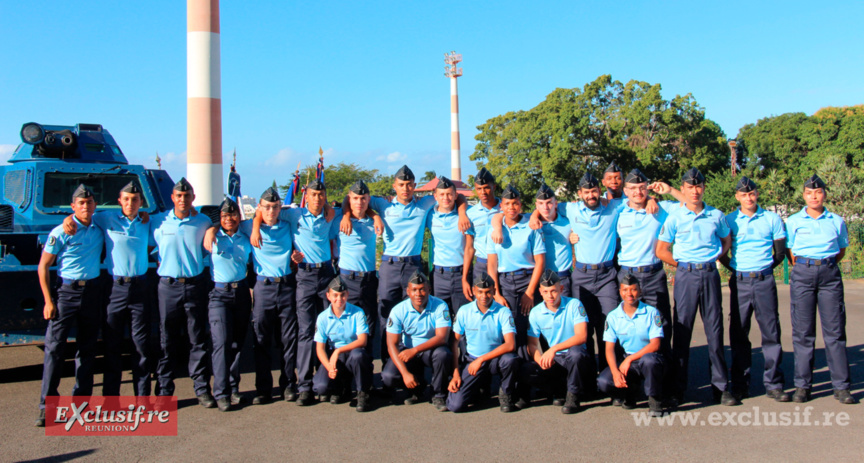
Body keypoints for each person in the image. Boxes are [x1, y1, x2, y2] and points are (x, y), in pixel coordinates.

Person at [340, 165, 469, 362]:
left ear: (415, 185)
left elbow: (456, 196)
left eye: (409, 184)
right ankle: (388, 365)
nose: (406, 188)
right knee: (387, 316)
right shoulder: (383, 205)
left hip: (413, 266)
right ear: (395, 186)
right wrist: (354, 215)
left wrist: (462, 214)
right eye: (401, 185)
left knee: (416, 313)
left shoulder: (424, 203)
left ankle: (415, 363)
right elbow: (354, 199)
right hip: (389, 266)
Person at [60, 181, 152, 398]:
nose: (131, 203)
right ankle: (111, 399)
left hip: (140, 288)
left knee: (141, 347)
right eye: (126, 199)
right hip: (115, 290)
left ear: (141, 202)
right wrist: (66, 219)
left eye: (135, 199)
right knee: (112, 346)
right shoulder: (105, 218)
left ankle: (143, 399)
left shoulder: (148, 221)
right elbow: (82, 217)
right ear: (119, 201)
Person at [656, 168, 736, 406]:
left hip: (710, 274)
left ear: (704, 188)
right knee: (682, 333)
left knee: (715, 331)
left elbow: (726, 239)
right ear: (683, 189)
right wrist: (683, 266)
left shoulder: (716, 215)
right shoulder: (674, 218)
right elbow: (661, 250)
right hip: (686, 276)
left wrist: (714, 258)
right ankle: (678, 389)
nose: (695, 190)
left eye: (698, 186)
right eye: (690, 187)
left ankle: (721, 388)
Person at [253, 180, 337, 406]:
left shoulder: (331, 215)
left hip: (327, 274)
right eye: (313, 194)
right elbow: (265, 212)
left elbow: (350, 210)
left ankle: (325, 382)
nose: (317, 198)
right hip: (304, 276)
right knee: (305, 332)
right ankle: (304, 385)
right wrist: (254, 227)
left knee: (326, 329)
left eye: (321, 194)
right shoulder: (294, 215)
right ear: (305, 196)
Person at [35, 184, 104, 427]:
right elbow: (43, 265)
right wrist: (48, 301)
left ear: (95, 205)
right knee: (54, 350)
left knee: (86, 350)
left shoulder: (100, 227)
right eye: (80, 203)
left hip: (91, 294)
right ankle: (47, 406)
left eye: (89, 203)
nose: (86, 207)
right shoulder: (61, 231)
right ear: (73, 206)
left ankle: (82, 405)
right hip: (66, 294)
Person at [785, 175, 856, 404]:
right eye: (809, 193)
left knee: (834, 332)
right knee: (803, 333)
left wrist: (824, 264)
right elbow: (791, 252)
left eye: (817, 192)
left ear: (824, 194)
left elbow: (841, 250)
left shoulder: (836, 220)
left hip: (829, 274)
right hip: (803, 272)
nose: (813, 196)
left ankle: (841, 387)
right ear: (803, 196)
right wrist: (806, 265)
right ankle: (803, 386)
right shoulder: (794, 221)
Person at [719, 176, 790, 403]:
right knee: (739, 334)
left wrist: (762, 270)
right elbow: (723, 251)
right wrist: (737, 269)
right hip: (739, 282)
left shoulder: (771, 219)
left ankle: (774, 384)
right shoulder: (729, 220)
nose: (748, 198)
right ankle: (740, 385)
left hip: (764, 281)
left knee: (771, 333)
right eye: (743, 195)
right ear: (737, 197)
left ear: (757, 194)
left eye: (752, 194)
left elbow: (779, 253)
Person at [149, 178, 215, 408]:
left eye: (187, 196)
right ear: (172, 198)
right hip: (168, 286)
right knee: (167, 340)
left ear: (193, 198)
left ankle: (202, 389)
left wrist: (212, 229)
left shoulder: (203, 221)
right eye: (179, 196)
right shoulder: (158, 222)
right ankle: (165, 392)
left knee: (197, 339)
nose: (183, 200)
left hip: (195, 284)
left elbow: (216, 225)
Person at [240, 187, 299, 405]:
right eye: (266, 207)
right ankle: (263, 389)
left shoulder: (288, 226)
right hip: (263, 288)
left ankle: (288, 384)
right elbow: (224, 227)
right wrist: (256, 225)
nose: (271, 211)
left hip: (286, 286)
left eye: (275, 207)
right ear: (259, 208)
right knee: (261, 339)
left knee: (288, 340)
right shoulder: (248, 227)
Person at [520, 270, 592, 414]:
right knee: (526, 369)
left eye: (553, 291)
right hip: (556, 360)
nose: (550, 296)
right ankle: (557, 391)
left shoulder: (574, 305)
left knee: (576, 354)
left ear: (561, 289)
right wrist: (540, 360)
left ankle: (573, 397)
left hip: (574, 358)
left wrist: (552, 349)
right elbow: (532, 344)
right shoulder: (536, 312)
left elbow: (582, 336)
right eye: (546, 291)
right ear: (540, 292)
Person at [447, 273, 520, 413]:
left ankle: (506, 395)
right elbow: (454, 343)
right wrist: (455, 373)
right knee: (455, 405)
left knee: (510, 360)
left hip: (494, 359)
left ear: (494, 291)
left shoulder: (503, 312)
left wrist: (481, 359)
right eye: (480, 292)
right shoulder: (464, 311)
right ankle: (479, 388)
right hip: (472, 359)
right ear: (474, 291)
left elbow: (510, 344)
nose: (484, 296)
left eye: (488, 292)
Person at [485, 185, 546, 354]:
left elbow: (540, 261)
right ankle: (516, 372)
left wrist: (530, 292)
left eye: (515, 203)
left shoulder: (531, 226)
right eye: (507, 204)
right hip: (505, 283)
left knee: (532, 327)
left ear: (520, 205)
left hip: (528, 281)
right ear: (501, 206)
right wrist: (496, 293)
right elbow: (492, 265)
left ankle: (536, 371)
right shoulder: (494, 229)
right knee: (511, 329)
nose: (511, 208)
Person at [381, 270, 452, 411]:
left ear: (429, 289)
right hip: (408, 350)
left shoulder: (440, 306)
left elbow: (442, 337)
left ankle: (438, 394)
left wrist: (415, 350)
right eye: (414, 290)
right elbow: (391, 344)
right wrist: (405, 374)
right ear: (408, 291)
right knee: (389, 376)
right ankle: (416, 389)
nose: (418, 294)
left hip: (430, 349)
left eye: (422, 290)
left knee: (443, 355)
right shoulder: (398, 310)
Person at [597, 274, 665, 417]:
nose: (629, 294)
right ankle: (629, 393)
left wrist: (629, 359)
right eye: (625, 290)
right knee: (603, 382)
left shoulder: (651, 312)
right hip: (629, 360)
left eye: (633, 290)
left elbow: (655, 345)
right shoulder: (613, 316)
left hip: (648, 357)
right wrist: (615, 372)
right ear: (620, 292)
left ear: (640, 291)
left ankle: (655, 400)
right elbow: (609, 348)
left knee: (650, 361)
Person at [207, 198, 253, 411]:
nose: (229, 219)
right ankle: (221, 391)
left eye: (233, 214)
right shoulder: (212, 237)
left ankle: (234, 388)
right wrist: (212, 228)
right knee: (221, 343)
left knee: (237, 343)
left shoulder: (246, 236)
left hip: (241, 292)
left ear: (239, 217)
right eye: (225, 216)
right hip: (219, 294)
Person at [312, 276, 374, 412]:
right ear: (328, 296)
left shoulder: (357, 312)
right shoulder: (322, 317)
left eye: (342, 295)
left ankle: (362, 393)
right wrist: (329, 367)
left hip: (353, 353)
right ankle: (341, 389)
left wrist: (338, 351)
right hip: (336, 359)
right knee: (321, 387)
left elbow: (362, 341)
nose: (339, 299)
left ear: (348, 295)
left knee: (359, 356)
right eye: (335, 295)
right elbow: (320, 349)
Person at [336, 180, 384, 340]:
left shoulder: (374, 221)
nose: (359, 202)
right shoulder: (339, 219)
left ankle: (365, 362)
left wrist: (375, 215)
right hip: (347, 279)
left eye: (363, 198)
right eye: (355, 198)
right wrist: (346, 214)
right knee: (345, 327)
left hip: (369, 280)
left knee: (369, 325)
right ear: (350, 199)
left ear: (368, 199)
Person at [427, 176, 470, 314]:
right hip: (439, 275)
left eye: (449, 194)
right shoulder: (429, 215)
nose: (446, 197)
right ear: (435, 196)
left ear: (455, 195)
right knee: (440, 317)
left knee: (462, 317)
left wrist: (462, 212)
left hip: (461, 273)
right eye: (442, 194)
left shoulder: (466, 215)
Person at [463, 167, 500, 298]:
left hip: (503, 264)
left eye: (486, 187)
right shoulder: (471, 213)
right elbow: (469, 247)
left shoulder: (506, 209)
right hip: (481, 264)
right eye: (479, 189)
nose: (483, 192)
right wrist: (464, 278)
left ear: (494, 187)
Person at [532, 184, 575, 297]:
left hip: (563, 277)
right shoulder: (531, 225)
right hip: (539, 277)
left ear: (556, 204)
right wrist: (533, 216)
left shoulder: (568, 222)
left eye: (549, 202)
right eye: (541, 203)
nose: (545, 207)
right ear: (536, 205)